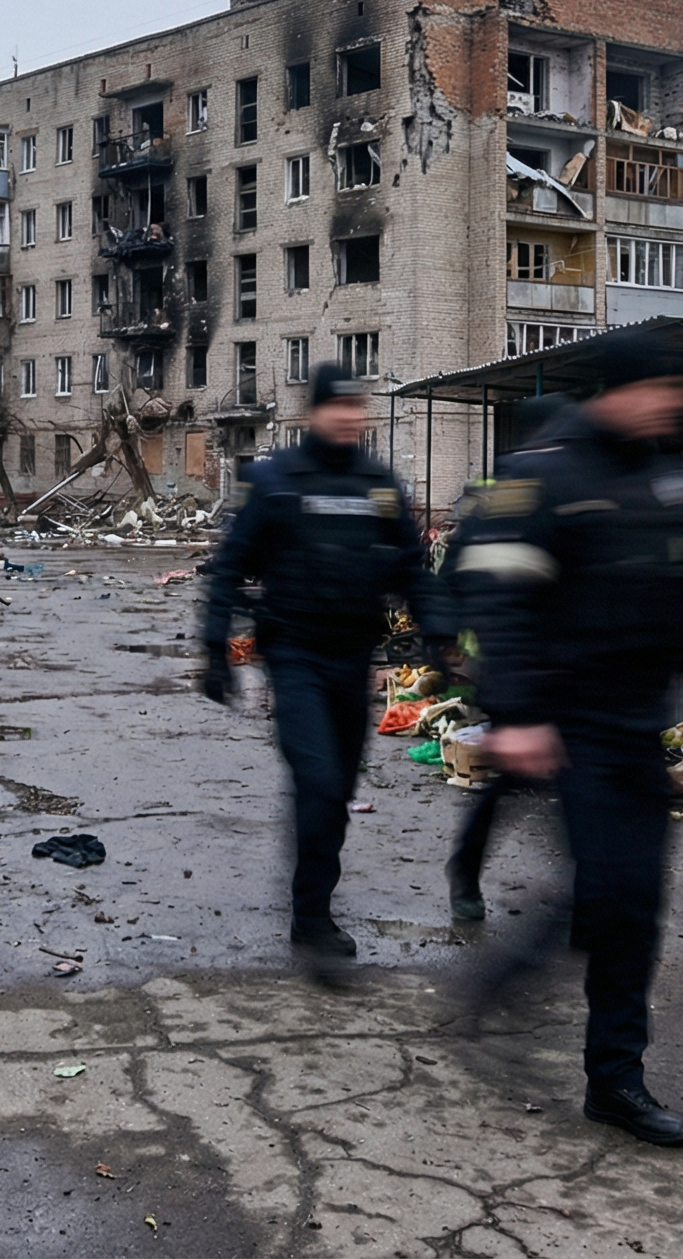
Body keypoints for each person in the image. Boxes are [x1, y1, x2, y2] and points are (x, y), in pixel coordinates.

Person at [457, 331, 683, 1147]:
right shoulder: (540, 474)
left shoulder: (660, 482)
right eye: (660, 391)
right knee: (609, 891)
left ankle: (615, 1082)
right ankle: (517, 988)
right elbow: (496, 600)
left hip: (637, 726)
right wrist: (519, 712)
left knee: (631, 906)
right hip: (569, 725)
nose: (672, 406)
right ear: (617, 393)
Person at [200, 363, 434, 974]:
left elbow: (412, 569)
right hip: (295, 656)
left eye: (358, 408)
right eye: (340, 408)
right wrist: (212, 650)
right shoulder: (277, 480)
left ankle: (314, 899)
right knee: (320, 781)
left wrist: (441, 638)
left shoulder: (378, 484)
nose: (351, 418)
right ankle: (311, 920)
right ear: (316, 413)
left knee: (338, 792)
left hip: (353, 659)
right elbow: (228, 567)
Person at [437, 391, 576, 923]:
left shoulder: (543, 490)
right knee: (520, 779)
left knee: (543, 779)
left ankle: (575, 889)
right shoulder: (512, 497)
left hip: (550, 666)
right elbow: (463, 578)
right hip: (517, 666)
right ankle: (468, 872)